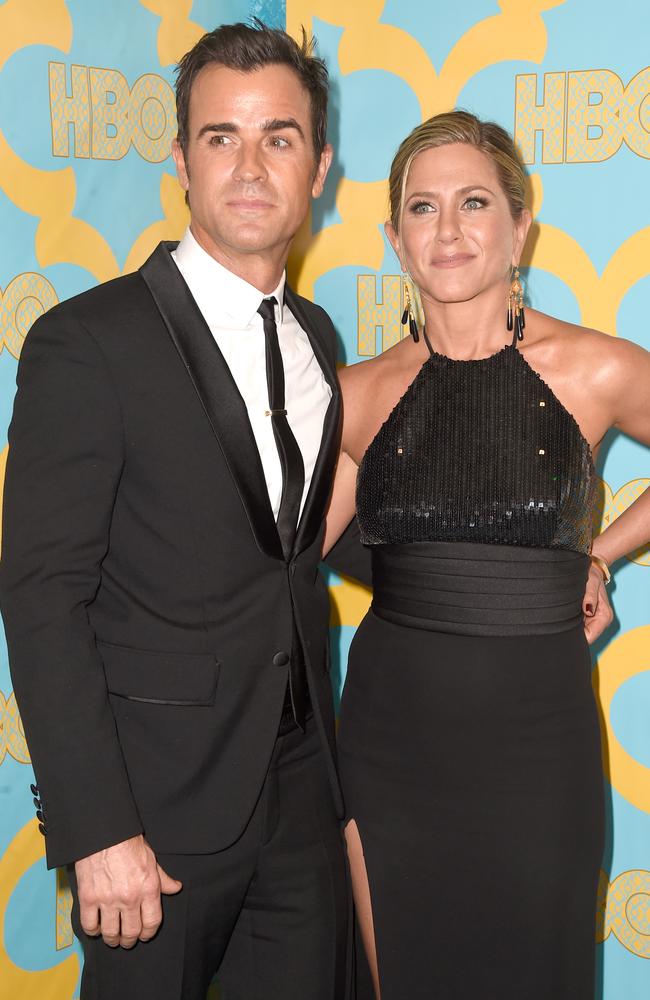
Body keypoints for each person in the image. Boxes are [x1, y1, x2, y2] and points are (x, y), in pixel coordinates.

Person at [0, 22, 370, 1000]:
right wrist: (97, 828)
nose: (250, 165)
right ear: (179, 158)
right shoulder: (90, 341)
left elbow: (301, 543)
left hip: (300, 794)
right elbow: (41, 597)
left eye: (279, 137)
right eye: (220, 137)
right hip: (152, 816)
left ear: (319, 166)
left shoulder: (318, 335)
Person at [323, 110, 649, 999]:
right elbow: (282, 550)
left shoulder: (595, 370)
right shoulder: (352, 396)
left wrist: (600, 554)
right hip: (390, 749)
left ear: (521, 226)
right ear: (394, 238)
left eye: (474, 202)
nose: (450, 229)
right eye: (422, 209)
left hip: (538, 754)